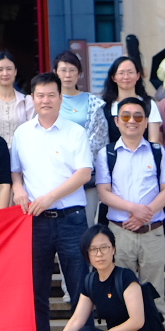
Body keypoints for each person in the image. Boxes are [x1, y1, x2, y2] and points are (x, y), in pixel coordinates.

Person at [11, 71, 93, 331]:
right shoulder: (22, 133)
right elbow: (15, 171)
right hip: (35, 222)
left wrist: (49, 197)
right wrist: (18, 188)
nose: (45, 101)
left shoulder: (75, 132)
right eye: (40, 95)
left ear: (61, 98)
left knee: (80, 290)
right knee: (36, 290)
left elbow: (84, 173)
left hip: (72, 219)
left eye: (51, 95)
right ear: (32, 99)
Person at [94, 95, 165, 331]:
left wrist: (146, 214)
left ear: (146, 121)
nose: (132, 121)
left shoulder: (157, 151)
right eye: (126, 116)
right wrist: (134, 210)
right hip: (120, 234)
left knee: (154, 293)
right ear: (117, 121)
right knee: (121, 295)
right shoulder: (107, 153)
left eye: (138, 116)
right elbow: (104, 193)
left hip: (152, 232)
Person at [36, 224, 165, 331]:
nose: (99, 254)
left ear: (113, 249)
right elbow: (77, 320)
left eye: (104, 247)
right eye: (93, 250)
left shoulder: (125, 277)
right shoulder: (90, 281)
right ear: (87, 254)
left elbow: (137, 322)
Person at [54, 50, 106, 223]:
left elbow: (99, 138)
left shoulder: (93, 103)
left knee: (87, 224)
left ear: (80, 73)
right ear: (55, 72)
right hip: (56, 173)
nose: (67, 75)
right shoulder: (47, 101)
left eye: (72, 70)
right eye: (63, 70)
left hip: (86, 174)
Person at [101, 56, 158, 147]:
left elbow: (154, 140)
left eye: (130, 72)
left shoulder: (149, 104)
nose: (126, 77)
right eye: (121, 73)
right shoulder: (105, 106)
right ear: (114, 77)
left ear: (138, 76)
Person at [0, 51, 34, 146]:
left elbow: (32, 131)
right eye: (0, 70)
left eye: (9, 69)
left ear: (15, 71)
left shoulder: (26, 101)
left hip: (21, 152)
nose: (5, 73)